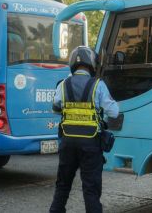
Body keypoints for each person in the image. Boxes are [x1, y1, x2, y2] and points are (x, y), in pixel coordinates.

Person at [49, 46, 119, 213]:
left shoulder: (63, 85)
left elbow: (55, 108)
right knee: (90, 189)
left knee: (63, 185)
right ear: (92, 64)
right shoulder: (98, 85)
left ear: (73, 63)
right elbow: (114, 112)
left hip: (67, 142)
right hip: (90, 144)